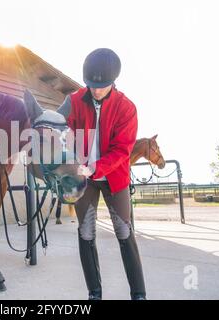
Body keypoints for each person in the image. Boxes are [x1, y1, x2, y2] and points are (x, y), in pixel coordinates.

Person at [57, 48, 146, 300]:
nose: (95, 90)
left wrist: (95, 167)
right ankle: (94, 294)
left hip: (113, 179)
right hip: (84, 180)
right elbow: (61, 134)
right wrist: (70, 165)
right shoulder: (73, 101)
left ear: (113, 81)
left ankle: (138, 294)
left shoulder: (126, 107)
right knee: (86, 233)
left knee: (124, 233)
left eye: (102, 86)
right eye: (91, 85)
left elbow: (122, 150)